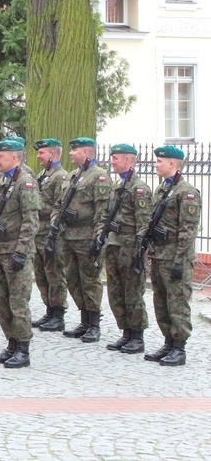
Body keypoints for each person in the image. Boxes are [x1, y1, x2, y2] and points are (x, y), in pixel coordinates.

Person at [140, 145, 200, 366]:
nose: (156, 165)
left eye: (159, 162)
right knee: (161, 301)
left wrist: (180, 260)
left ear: (172, 164)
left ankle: (179, 347)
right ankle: (168, 341)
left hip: (175, 256)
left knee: (177, 303)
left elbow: (188, 230)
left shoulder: (187, 192)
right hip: (158, 255)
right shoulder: (161, 190)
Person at [0, 139, 40, 368]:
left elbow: (31, 221)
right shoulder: (3, 182)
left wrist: (21, 251)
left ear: (14, 158)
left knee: (18, 303)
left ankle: (23, 349)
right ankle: (11, 344)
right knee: (3, 303)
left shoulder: (25, 184)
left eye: (0, 156)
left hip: (17, 252)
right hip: (0, 250)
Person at [50, 138, 112, 343]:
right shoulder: (72, 176)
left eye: (74, 150)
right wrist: (54, 221)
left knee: (90, 281)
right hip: (68, 236)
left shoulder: (99, 177)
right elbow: (58, 204)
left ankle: (94, 323)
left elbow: (102, 211)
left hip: (87, 237)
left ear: (86, 152)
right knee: (73, 280)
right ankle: (84, 320)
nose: (70, 153)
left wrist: (98, 237)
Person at [94, 144, 151, 354]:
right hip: (114, 245)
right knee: (116, 292)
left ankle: (137, 335)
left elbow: (144, 223)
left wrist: (139, 251)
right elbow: (105, 214)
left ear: (128, 160)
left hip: (129, 248)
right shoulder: (117, 186)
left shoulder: (139, 189)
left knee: (132, 293)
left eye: (115, 158)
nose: (112, 161)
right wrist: (101, 234)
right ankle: (125, 332)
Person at [31, 139, 69, 331]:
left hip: (50, 232)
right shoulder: (43, 175)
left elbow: (58, 205)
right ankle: (49, 310)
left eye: (42, 153)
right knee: (41, 274)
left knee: (54, 273)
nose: (38, 156)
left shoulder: (60, 177)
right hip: (38, 230)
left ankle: (58, 313)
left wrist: (53, 232)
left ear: (53, 154)